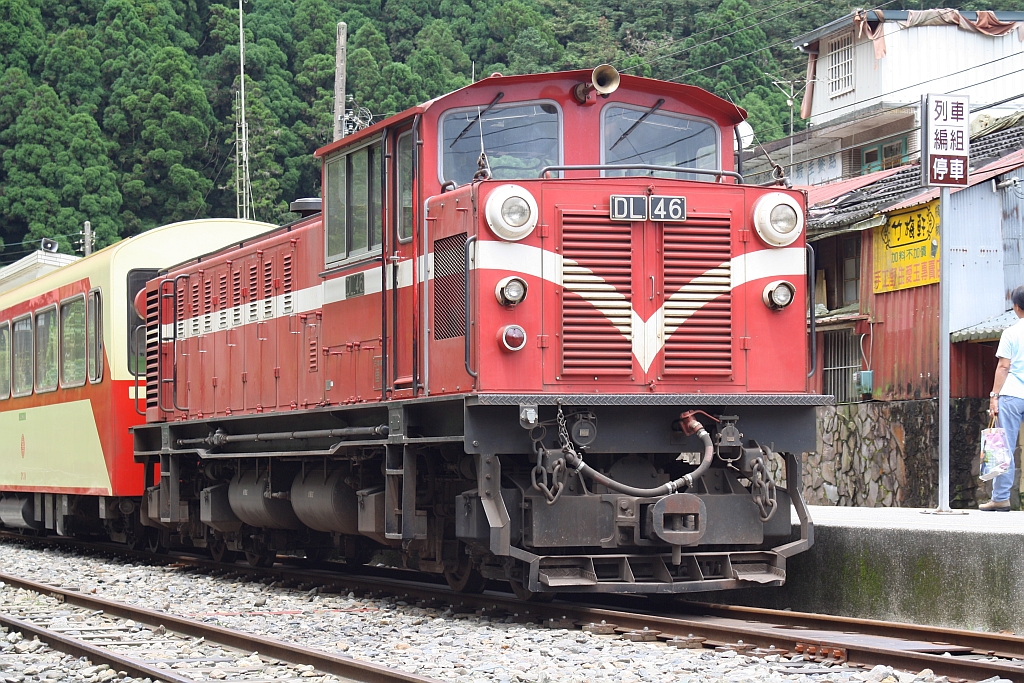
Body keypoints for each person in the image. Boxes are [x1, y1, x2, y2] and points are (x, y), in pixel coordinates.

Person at [984, 285, 1024, 511]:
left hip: (1012, 395)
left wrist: (993, 397)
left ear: (1017, 307)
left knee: (1005, 446)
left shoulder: (1011, 333)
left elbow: (1003, 366)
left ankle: (1000, 498)